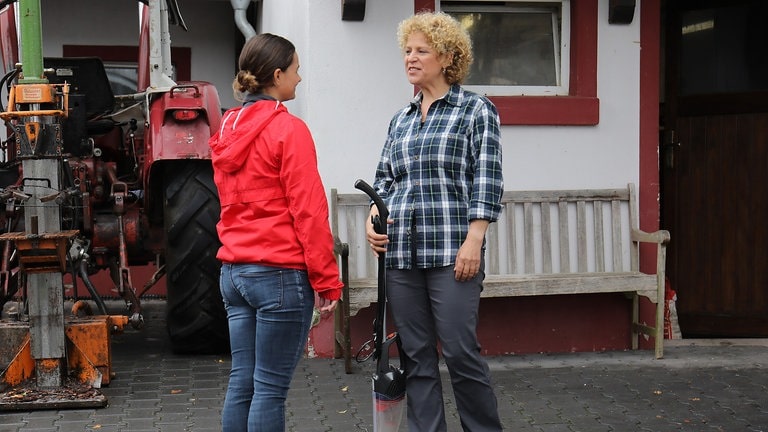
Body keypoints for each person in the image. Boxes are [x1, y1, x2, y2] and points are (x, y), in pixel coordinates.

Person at [366, 11, 504, 432]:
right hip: (403, 256)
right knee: (416, 356)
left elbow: (488, 177)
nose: (411, 58)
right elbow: (384, 179)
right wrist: (374, 216)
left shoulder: (476, 111)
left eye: (422, 51)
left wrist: (474, 239)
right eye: (407, 50)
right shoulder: (401, 119)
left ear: (446, 57)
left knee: (461, 353)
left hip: (451, 251)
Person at [209, 33, 342, 432]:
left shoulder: (226, 129)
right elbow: (309, 213)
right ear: (278, 74)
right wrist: (328, 281)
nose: (300, 79)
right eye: (296, 70)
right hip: (279, 274)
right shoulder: (290, 130)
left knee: (242, 383)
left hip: (233, 273)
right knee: (268, 390)